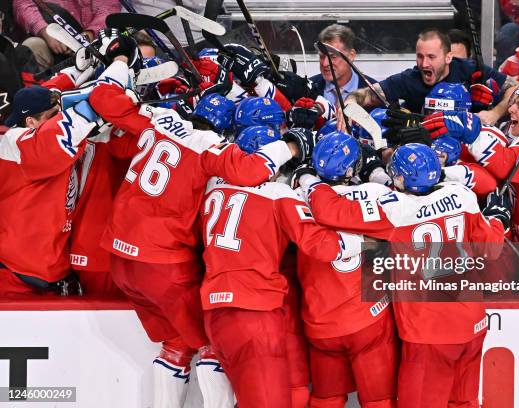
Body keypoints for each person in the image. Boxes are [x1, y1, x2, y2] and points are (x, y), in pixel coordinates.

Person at [88, 35, 315, 408]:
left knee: (177, 343)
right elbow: (252, 169)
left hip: (120, 257)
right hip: (162, 264)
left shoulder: (157, 119)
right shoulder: (210, 147)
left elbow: (102, 99)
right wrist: (292, 144)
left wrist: (120, 60)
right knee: (213, 343)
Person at [294, 143, 509, 408]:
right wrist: (498, 218)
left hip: (430, 332)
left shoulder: (395, 210)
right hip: (473, 324)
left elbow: (327, 211)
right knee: (463, 403)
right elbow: (492, 247)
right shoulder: (462, 195)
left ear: (400, 177)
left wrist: (309, 178)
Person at [200, 129, 364, 408]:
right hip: (254, 314)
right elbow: (321, 246)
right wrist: (368, 241)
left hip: (214, 315)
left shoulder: (213, 187)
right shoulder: (279, 195)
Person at [297, 131, 399, 407]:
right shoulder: (377, 194)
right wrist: (377, 171)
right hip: (367, 320)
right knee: (379, 400)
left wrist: (306, 179)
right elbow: (401, 211)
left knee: (326, 399)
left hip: (319, 323)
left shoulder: (295, 196)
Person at [422, 79, 519, 243]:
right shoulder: (513, 132)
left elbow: (509, 166)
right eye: (513, 103)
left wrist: (471, 133)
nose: (510, 109)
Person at [0, 84, 97, 296]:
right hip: (15, 275)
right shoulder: (13, 142)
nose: (60, 118)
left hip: (53, 271)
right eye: (53, 115)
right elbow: (54, 140)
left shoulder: (49, 144)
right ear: (30, 122)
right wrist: (93, 107)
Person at [346, 28, 516, 125]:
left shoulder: (470, 69)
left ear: (448, 58)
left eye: (431, 57)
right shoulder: (409, 79)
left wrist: (495, 113)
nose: (424, 64)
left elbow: (516, 88)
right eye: (420, 56)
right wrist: (349, 103)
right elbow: (366, 95)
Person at [13, 0, 120, 69]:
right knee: (32, 45)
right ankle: (46, 97)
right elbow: (22, 4)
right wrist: (44, 31)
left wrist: (89, 34)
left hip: (94, 47)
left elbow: (108, 10)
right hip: (51, 42)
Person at [310, 24, 377, 106]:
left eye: (333, 57)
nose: (325, 63)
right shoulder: (307, 88)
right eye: (322, 56)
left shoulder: (374, 91)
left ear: (351, 56)